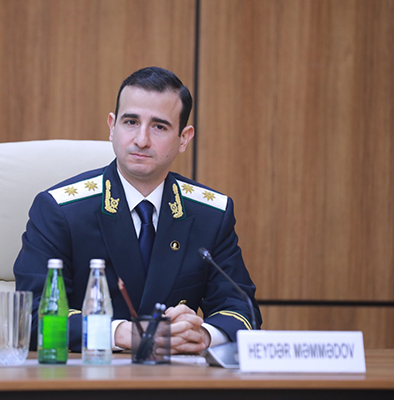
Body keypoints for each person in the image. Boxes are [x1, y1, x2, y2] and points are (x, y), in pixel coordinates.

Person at [14, 66, 261, 354]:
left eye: (159, 127)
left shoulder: (211, 215)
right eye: (131, 122)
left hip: (175, 375)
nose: (141, 140)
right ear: (112, 127)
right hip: (88, 374)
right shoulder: (60, 210)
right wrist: (120, 333)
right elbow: (32, 316)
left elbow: (241, 310)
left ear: (184, 138)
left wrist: (202, 335)